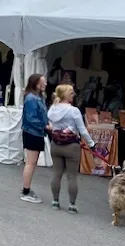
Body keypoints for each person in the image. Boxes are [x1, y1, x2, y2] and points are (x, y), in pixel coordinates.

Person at [46, 85, 94, 213]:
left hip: (56, 144)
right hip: (71, 146)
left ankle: (55, 201)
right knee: (72, 176)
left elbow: (50, 123)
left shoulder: (52, 109)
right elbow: (82, 129)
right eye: (71, 93)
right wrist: (91, 143)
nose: (74, 95)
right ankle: (72, 205)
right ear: (66, 95)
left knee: (56, 174)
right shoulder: (74, 111)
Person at [20, 74, 48, 204]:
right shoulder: (32, 98)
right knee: (30, 163)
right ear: (36, 84)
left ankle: (27, 189)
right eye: (43, 82)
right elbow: (31, 118)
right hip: (33, 132)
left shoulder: (38, 97)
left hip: (36, 132)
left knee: (32, 163)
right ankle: (25, 191)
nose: (46, 84)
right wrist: (45, 126)